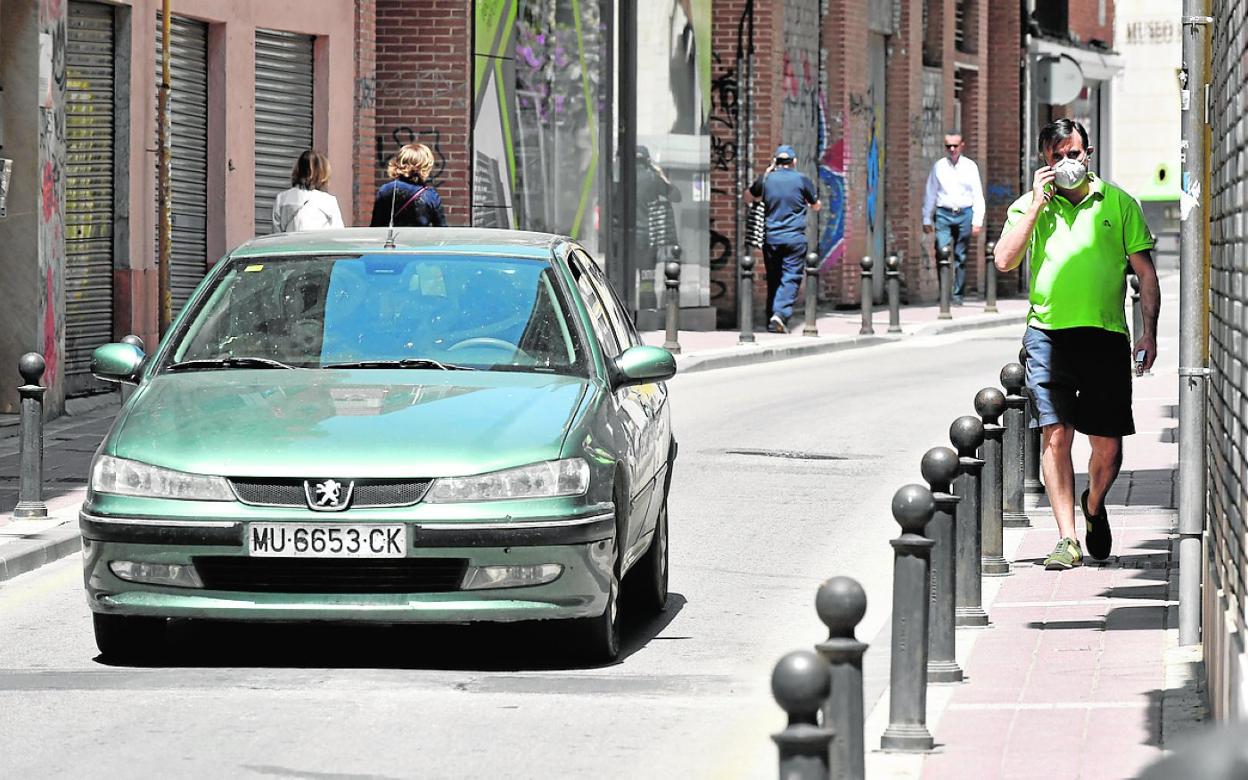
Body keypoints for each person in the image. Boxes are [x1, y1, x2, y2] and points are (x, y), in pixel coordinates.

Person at [993, 118, 1160, 571]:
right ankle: (1067, 538)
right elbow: (1005, 260)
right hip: (1047, 335)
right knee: (1056, 435)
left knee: (1107, 446)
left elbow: (1145, 274)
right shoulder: (1031, 207)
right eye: (1058, 156)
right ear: (1044, 162)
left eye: (1075, 153)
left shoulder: (1120, 203)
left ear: (1088, 153)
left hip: (1106, 336)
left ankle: (1094, 502)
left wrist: (1149, 332)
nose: (1068, 162)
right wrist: (1034, 205)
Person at [747, 144, 821, 333]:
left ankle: (770, 320)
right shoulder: (801, 180)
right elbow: (816, 205)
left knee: (774, 278)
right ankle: (779, 314)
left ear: (776, 161)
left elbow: (748, 197)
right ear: (794, 161)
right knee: (791, 277)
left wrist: (766, 173)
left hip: (771, 238)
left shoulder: (766, 180)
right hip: (794, 238)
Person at [922, 132, 986, 305]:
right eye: (948, 146)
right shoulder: (939, 166)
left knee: (961, 256)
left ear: (962, 146)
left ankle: (957, 295)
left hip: (965, 213)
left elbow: (977, 194)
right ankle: (944, 293)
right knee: (941, 250)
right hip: (943, 212)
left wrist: (977, 221)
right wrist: (926, 218)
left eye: (955, 146)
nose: (951, 149)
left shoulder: (970, 166)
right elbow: (931, 192)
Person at [370, 143, 447, 228]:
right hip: (417, 241)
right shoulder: (431, 196)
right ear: (425, 167)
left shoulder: (385, 190)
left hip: (392, 240)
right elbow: (442, 231)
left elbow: (375, 227)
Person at [271, 150, 345, 233]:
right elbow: (338, 235)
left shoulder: (282, 199)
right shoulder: (329, 201)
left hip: (291, 244)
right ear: (323, 173)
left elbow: (277, 235)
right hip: (319, 245)